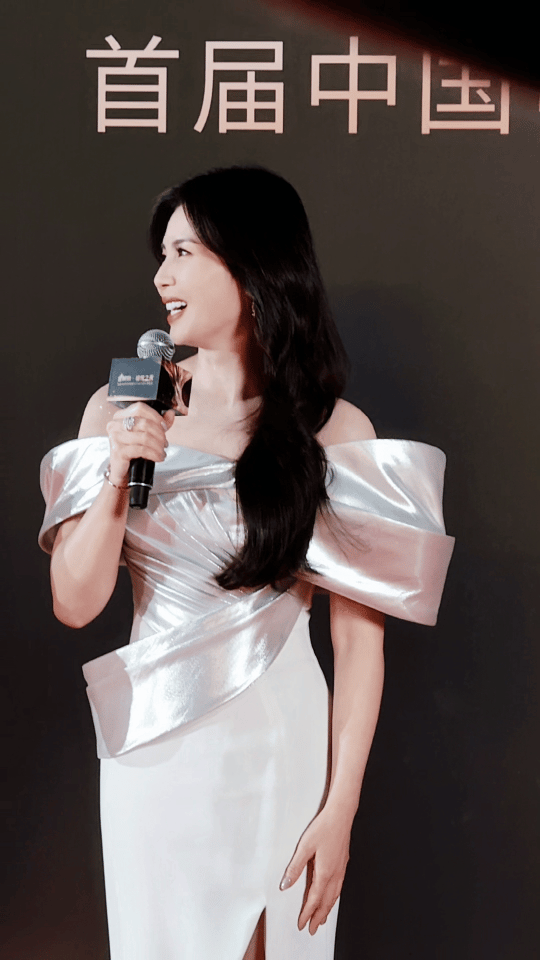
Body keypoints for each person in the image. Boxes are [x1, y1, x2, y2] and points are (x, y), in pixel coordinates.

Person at [39, 166, 454, 960]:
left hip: (276, 747)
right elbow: (75, 601)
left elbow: (359, 646)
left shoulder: (332, 430)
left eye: (185, 253)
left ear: (251, 263)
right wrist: (119, 474)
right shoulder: (119, 410)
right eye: (162, 256)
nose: (162, 277)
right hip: (151, 751)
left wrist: (340, 809)